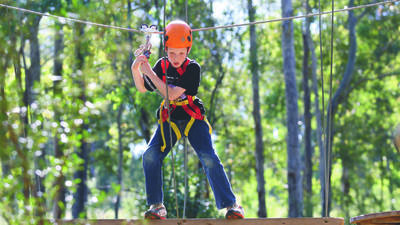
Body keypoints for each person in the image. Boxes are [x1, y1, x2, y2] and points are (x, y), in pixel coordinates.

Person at [131, 20, 244, 220]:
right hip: (171, 118)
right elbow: (143, 87)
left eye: (181, 53)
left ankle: (232, 205)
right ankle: (157, 206)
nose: (176, 58)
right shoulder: (162, 65)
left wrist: (148, 71)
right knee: (150, 156)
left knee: (208, 157)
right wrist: (136, 67)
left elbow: (172, 94)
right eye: (172, 52)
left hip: (192, 116)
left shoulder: (193, 68)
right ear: (165, 49)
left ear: (188, 50)